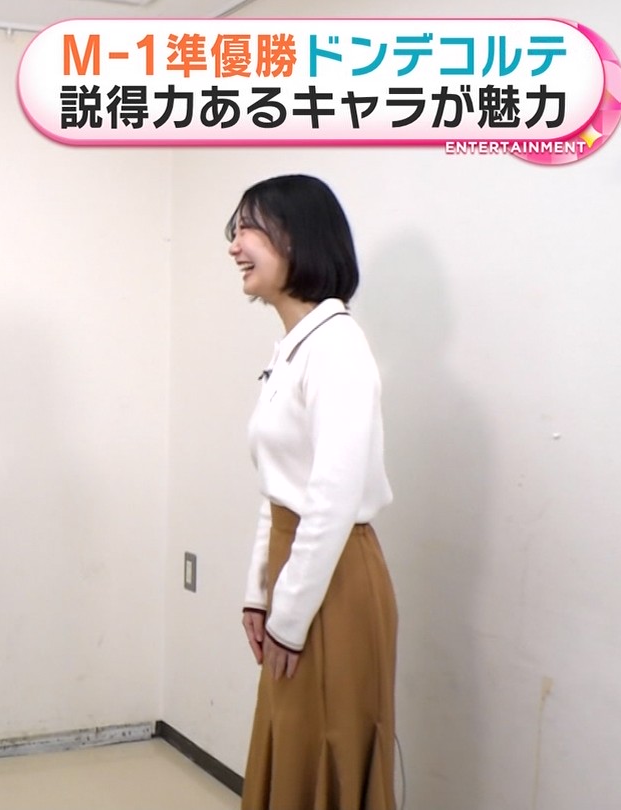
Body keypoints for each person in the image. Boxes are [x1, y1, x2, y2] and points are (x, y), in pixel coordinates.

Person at [228, 174, 398, 809]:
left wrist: (290, 618)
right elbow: (279, 486)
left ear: (297, 239)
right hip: (298, 571)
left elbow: (330, 501)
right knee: (293, 746)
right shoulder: (294, 349)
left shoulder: (337, 347)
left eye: (248, 228)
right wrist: (258, 593)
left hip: (334, 579)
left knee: (326, 746)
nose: (234, 246)